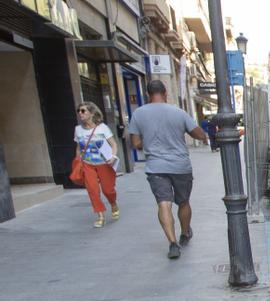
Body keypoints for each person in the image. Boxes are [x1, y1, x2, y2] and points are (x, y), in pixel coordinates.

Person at [127, 80, 208, 259]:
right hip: (180, 166)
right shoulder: (178, 112)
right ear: (165, 93)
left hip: (155, 167)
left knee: (164, 203)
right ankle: (185, 232)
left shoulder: (138, 113)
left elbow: (135, 143)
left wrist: (148, 142)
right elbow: (200, 135)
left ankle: (172, 243)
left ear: (149, 94)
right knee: (184, 202)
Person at [74, 102, 120, 228]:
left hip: (104, 164)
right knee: (93, 191)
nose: (80, 113)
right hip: (87, 164)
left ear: (92, 113)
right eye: (79, 111)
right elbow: (78, 148)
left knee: (108, 190)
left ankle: (113, 203)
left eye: (83, 111)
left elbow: (114, 144)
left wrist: (113, 157)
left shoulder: (102, 128)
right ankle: (100, 216)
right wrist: (78, 161)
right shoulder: (78, 130)